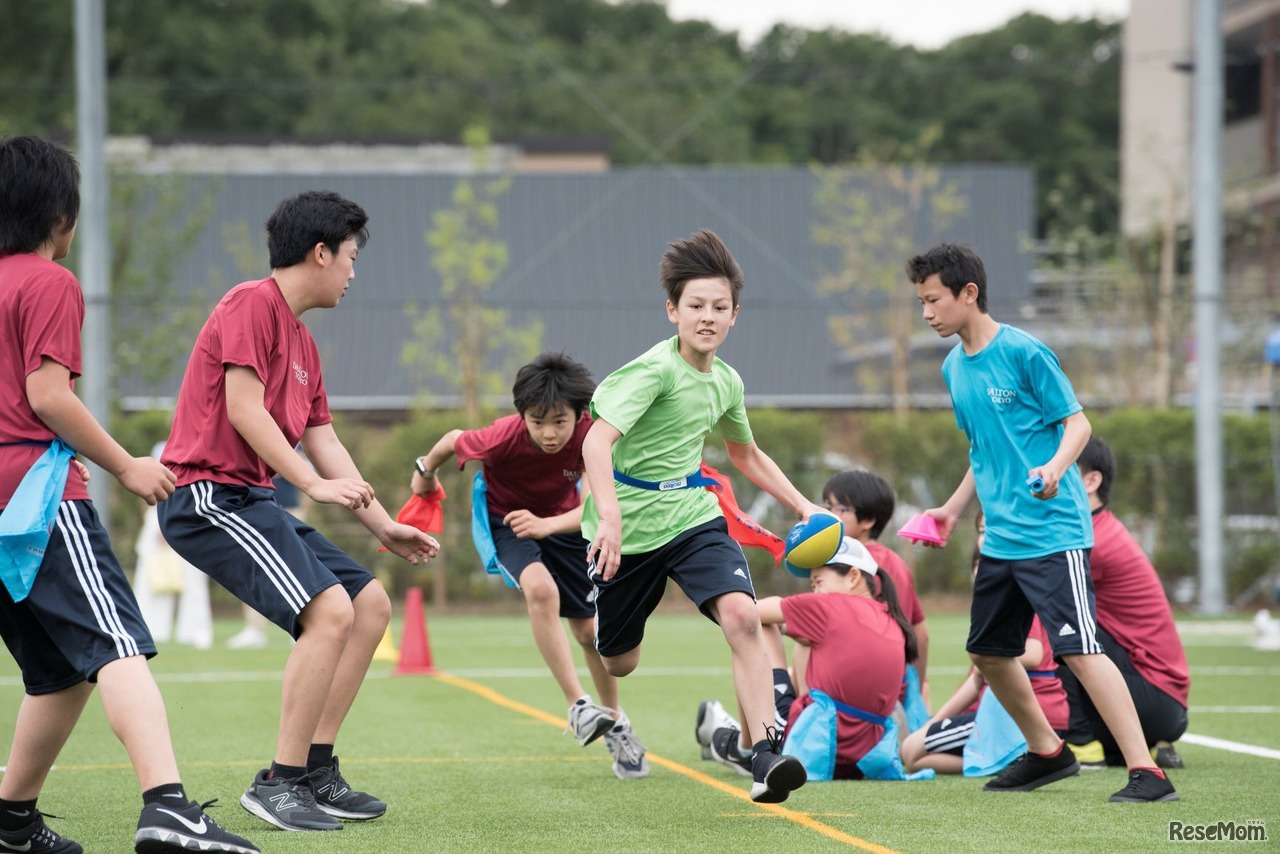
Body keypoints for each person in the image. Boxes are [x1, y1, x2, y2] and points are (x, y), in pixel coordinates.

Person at [0, 135, 258, 854]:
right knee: (117, 644)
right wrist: (126, 466)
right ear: (61, 215)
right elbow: (48, 396)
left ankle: (11, 822)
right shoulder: (48, 282)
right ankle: (167, 807)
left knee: (59, 672)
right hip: (34, 499)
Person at [158, 190, 439, 833]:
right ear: (320, 253)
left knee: (369, 604)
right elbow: (243, 410)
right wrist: (310, 484)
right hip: (208, 498)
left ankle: (314, 769)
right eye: (351, 258)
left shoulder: (305, 345)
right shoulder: (250, 303)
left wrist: (383, 524)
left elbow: (325, 442)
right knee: (329, 610)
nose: (353, 273)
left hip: (249, 501)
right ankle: (279, 784)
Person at [907, 242, 1177, 803]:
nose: (927, 313)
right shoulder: (954, 368)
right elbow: (984, 452)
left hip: (1053, 532)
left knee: (1079, 648)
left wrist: (1055, 468)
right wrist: (952, 510)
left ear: (969, 293)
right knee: (987, 652)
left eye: (934, 300)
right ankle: (1048, 753)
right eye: (922, 303)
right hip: (1002, 540)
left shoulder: (1025, 352)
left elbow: (1078, 426)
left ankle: (1146, 771)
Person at [582, 228, 822, 804]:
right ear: (673, 311)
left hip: (692, 517)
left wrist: (803, 504)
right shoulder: (653, 372)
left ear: (735, 315)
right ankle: (720, 732)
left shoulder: (728, 382)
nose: (707, 317)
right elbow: (595, 441)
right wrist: (609, 518)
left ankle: (764, 755)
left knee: (744, 617)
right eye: (695, 306)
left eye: (719, 307)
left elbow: (746, 454)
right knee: (618, 663)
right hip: (628, 533)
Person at [409, 351, 648, 779]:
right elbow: (451, 439)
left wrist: (547, 525)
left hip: (563, 522)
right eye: (538, 422)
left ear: (579, 415)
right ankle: (578, 706)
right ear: (522, 416)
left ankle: (615, 721)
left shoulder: (591, 436)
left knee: (589, 633)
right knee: (540, 590)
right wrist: (425, 472)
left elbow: (595, 507)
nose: (549, 433)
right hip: (508, 524)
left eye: (560, 421)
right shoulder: (501, 438)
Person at [698, 537, 919, 780]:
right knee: (805, 645)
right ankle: (742, 738)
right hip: (865, 757)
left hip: (817, 749)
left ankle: (746, 747)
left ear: (853, 576)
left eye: (818, 582)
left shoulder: (828, 605)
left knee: (758, 628)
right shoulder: (892, 619)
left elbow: (748, 612)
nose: (815, 591)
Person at [902, 512, 1068, 774]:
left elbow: (1034, 653)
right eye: (982, 531)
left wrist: (989, 659)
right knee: (912, 756)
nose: (985, 539)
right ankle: (1004, 762)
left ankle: (1008, 759)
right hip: (1008, 717)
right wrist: (934, 723)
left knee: (910, 751)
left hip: (1020, 717)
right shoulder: (994, 610)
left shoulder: (1018, 597)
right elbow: (975, 681)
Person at [1064, 437, 1189, 769]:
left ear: (1092, 481)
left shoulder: (1093, 540)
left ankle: (1081, 743)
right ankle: (1135, 746)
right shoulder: (1097, 527)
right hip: (1161, 701)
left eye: (1063, 467)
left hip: (1155, 697)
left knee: (1059, 627)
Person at [820, 470, 931, 704]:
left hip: (862, 686)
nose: (827, 515)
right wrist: (915, 691)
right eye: (826, 507)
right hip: (895, 684)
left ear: (868, 520)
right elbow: (920, 632)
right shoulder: (897, 562)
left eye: (838, 509)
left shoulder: (853, 564)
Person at [133, 441, 213, 650]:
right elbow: (151, 486)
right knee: (151, 577)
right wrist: (159, 521)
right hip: (162, 515)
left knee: (194, 578)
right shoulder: (161, 449)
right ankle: (152, 628)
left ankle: (196, 630)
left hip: (191, 515)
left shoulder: (201, 447)